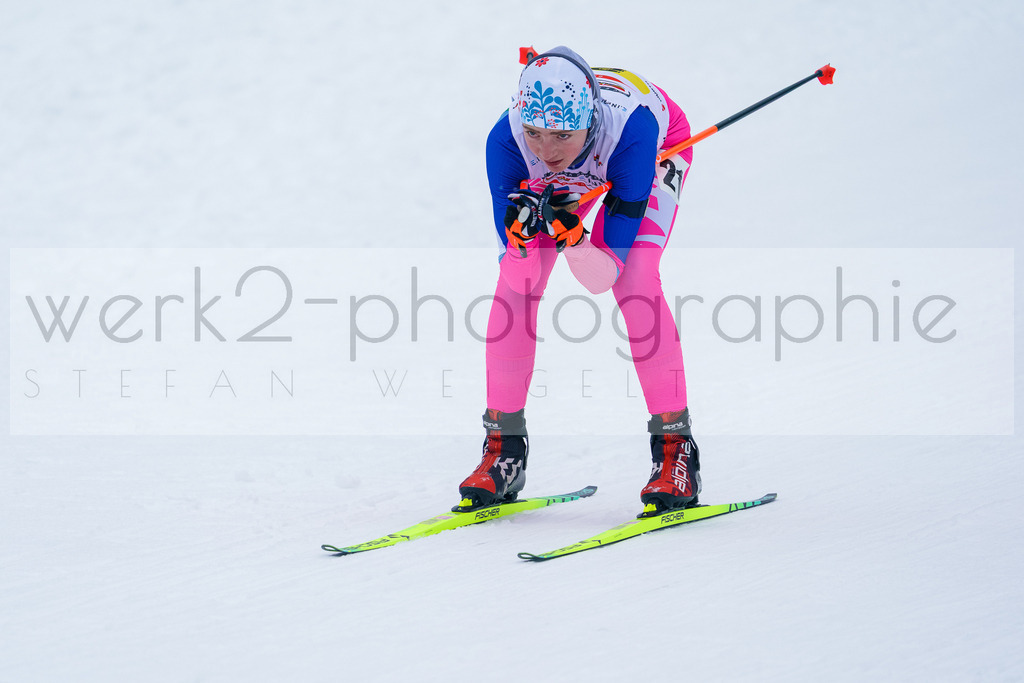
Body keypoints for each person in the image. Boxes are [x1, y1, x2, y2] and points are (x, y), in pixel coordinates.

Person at [456, 46, 700, 517]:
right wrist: (521, 241)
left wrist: (573, 235)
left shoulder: (634, 133)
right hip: (589, 158)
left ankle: (676, 453)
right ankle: (503, 451)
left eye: (560, 137)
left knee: (636, 280)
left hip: (644, 148)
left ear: (586, 124)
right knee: (514, 292)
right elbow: (520, 276)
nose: (545, 152)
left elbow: (600, 275)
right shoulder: (507, 144)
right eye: (535, 134)